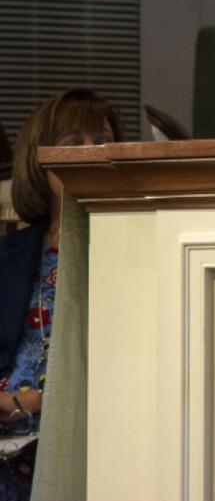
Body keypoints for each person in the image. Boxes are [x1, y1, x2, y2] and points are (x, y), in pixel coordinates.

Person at [0, 89, 124, 500]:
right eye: (73, 144)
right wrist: (19, 402)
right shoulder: (7, 257)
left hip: (99, 442)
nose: (91, 154)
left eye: (103, 141)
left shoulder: (135, 250)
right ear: (38, 159)